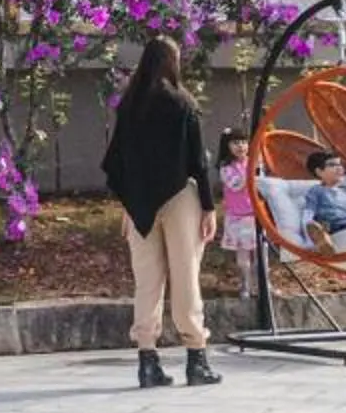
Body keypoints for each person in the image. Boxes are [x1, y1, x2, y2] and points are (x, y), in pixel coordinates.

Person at [99, 38, 221, 390]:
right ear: (172, 61)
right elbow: (198, 162)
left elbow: (116, 161)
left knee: (147, 282)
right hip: (180, 197)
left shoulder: (129, 107)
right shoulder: (183, 103)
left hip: (139, 202)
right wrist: (209, 207)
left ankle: (147, 360)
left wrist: (127, 202)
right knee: (185, 276)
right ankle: (196, 357)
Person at [215, 129, 260, 287]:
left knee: (261, 254)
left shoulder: (254, 163)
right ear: (227, 146)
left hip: (257, 215)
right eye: (235, 143)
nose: (241, 146)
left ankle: (262, 284)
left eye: (243, 142)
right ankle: (245, 284)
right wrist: (252, 170)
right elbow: (237, 185)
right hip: (238, 217)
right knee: (243, 256)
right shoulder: (226, 168)